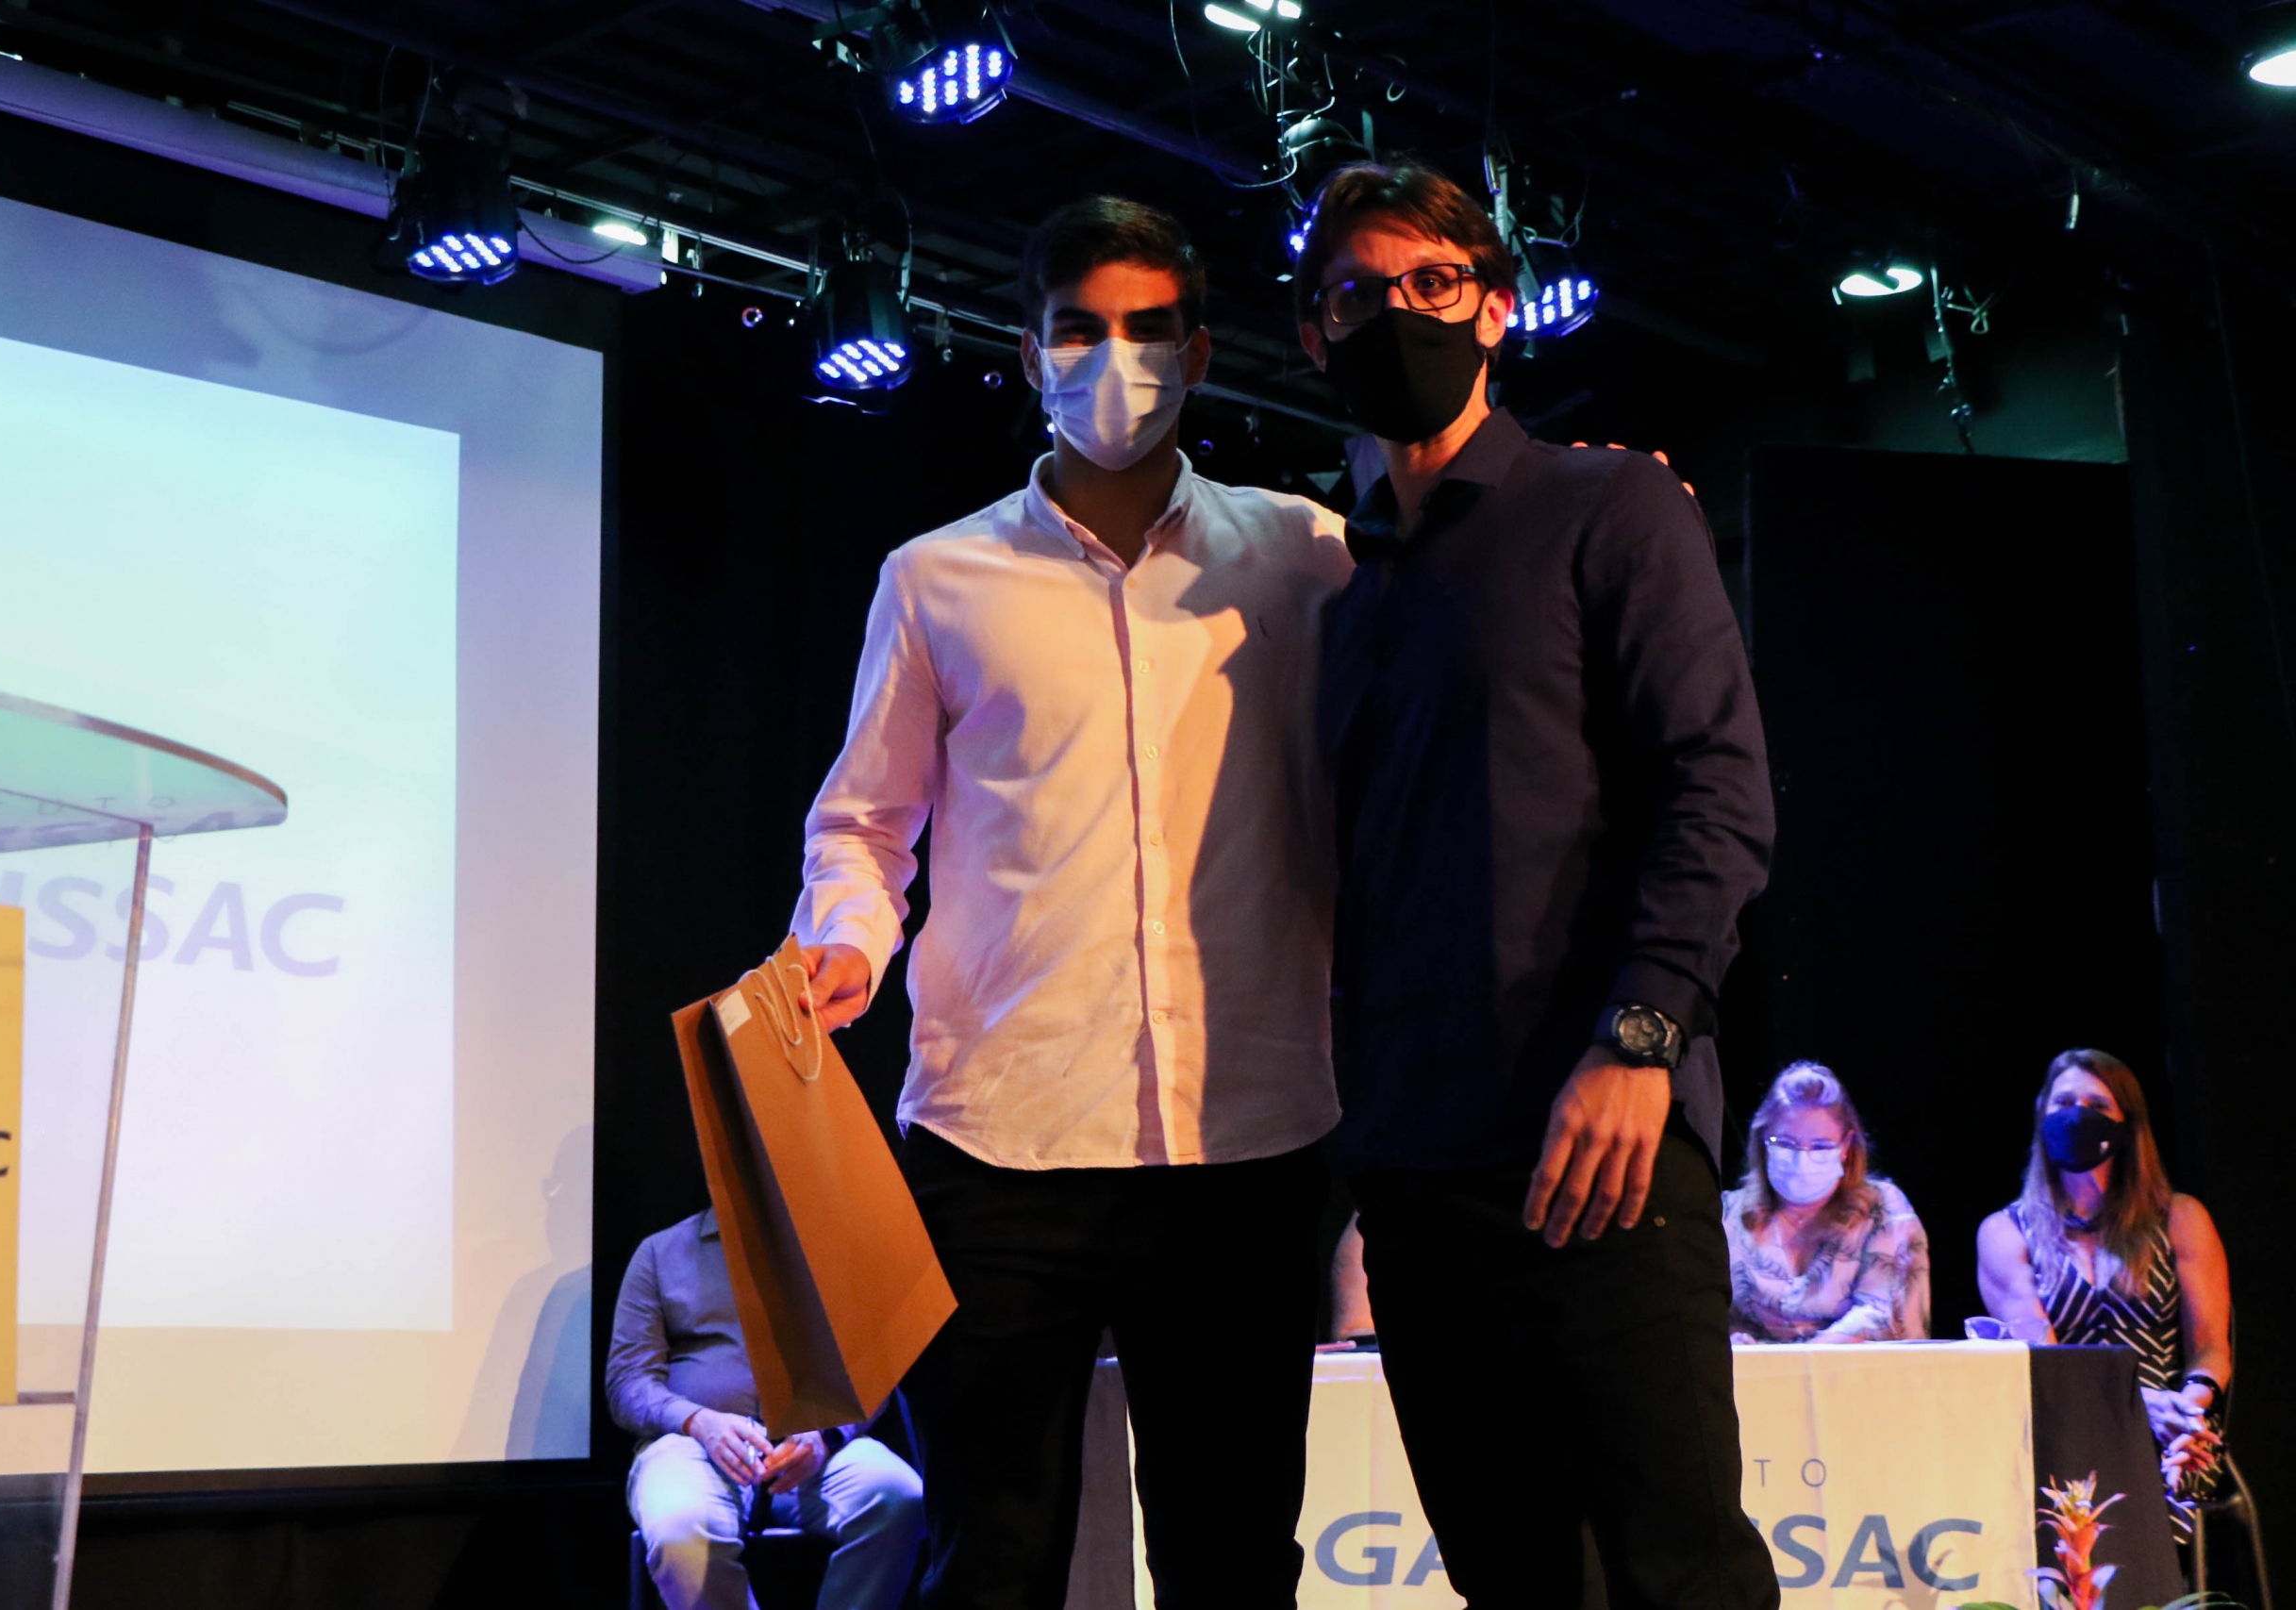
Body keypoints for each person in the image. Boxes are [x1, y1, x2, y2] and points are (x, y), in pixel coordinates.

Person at [790, 196, 1349, 1610]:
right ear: (1031, 352)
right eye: (1080, 330)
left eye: (1148, 329)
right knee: (992, 1559)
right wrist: (846, 938)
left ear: (1201, 351)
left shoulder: (1304, 556)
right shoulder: (936, 577)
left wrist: (1597, 500)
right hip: (1000, 1135)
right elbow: (863, 823)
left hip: (1245, 1135)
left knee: (1235, 1559)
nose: (1116, 360)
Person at [1304, 160, 1779, 1608]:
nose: (1399, 313)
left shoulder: (1610, 502)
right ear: (1315, 333)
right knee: (1510, 1579)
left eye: (1433, 282)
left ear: (1498, 308)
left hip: (1604, 1144)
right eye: (1358, 294)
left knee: (1680, 1573)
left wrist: (1643, 1036)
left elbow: (1718, 785)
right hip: (1417, 1177)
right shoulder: (1335, 592)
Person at [607, 1210, 925, 1610]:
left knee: (898, 1498)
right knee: (680, 1529)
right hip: (695, 1445)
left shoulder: (839, 1250)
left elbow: (871, 1371)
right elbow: (628, 1382)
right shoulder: (661, 1252)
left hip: (816, 1446)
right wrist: (698, 1421)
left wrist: (825, 1432)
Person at [1977, 1049, 2233, 1538]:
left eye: (2097, 1105)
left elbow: (2210, 1348)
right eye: (2064, 1103)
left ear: (2125, 1125)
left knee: (2171, 1468)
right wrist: (2137, 1406)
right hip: (2065, 1424)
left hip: (2174, 1424)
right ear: (2042, 1115)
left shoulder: (2179, 1219)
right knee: (2077, 1481)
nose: (2077, 1116)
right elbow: (2046, 1360)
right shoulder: (2007, 1232)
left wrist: (2187, 1412)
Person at [1722, 1062, 1929, 1343]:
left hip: (1852, 1370)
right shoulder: (1728, 1216)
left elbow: (1881, 1316)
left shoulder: (1884, 1211)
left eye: (1820, 1146)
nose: (1801, 1159)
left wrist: (1796, 1361)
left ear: (1846, 1147)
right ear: (1762, 1141)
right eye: (1785, 1143)